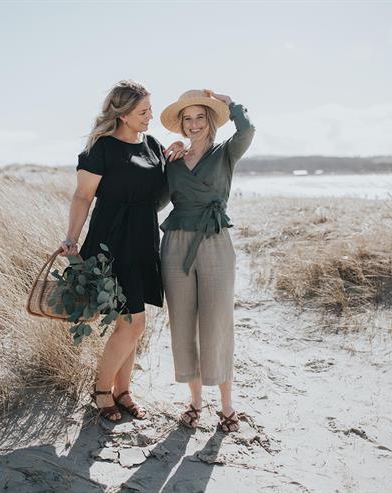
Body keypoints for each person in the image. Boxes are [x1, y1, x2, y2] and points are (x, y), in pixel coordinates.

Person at [60, 80, 171, 422]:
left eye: (150, 110)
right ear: (122, 115)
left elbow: (160, 193)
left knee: (131, 323)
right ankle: (101, 391)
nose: (150, 117)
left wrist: (174, 158)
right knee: (133, 322)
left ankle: (123, 391)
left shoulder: (153, 145)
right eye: (143, 112)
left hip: (144, 240)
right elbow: (82, 196)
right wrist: (71, 237)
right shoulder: (102, 148)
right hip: (112, 242)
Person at [159, 89, 255, 433]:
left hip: (214, 239)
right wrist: (161, 163)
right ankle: (196, 401)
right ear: (181, 125)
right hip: (176, 244)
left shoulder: (225, 152)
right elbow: (157, 203)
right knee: (182, 323)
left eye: (200, 117)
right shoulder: (173, 160)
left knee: (218, 322)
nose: (194, 124)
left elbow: (247, 131)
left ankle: (227, 406)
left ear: (211, 121)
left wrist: (231, 104)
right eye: (188, 119)